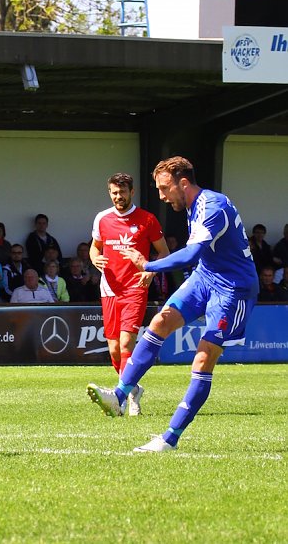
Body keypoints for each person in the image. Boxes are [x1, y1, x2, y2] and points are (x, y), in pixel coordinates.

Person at [88, 156, 258, 453]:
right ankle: (118, 395)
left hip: (233, 288)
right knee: (159, 322)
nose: (161, 196)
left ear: (183, 183)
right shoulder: (194, 205)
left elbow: (190, 255)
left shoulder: (212, 206)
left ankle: (169, 438)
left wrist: (149, 266)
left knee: (203, 359)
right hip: (206, 277)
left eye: (164, 188)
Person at [89, 172, 169, 416]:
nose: (118, 197)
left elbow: (164, 252)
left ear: (132, 192)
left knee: (126, 343)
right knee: (113, 349)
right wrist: (95, 259)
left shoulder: (147, 219)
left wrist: (151, 271)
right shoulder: (102, 219)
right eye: (114, 192)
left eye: (122, 192)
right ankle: (133, 391)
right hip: (109, 288)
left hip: (135, 288)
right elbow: (94, 247)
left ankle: (120, 400)